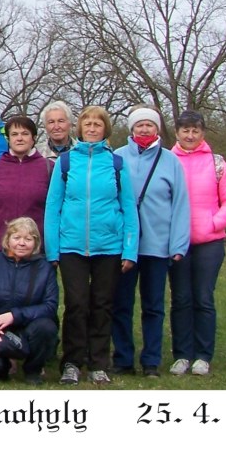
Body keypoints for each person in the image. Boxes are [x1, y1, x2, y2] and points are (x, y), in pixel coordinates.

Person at [44, 105, 138, 386]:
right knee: (76, 305)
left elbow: (129, 208)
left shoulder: (116, 164)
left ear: (105, 129)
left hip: (108, 247)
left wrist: (130, 249)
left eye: (98, 124)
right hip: (71, 247)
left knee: (102, 305)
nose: (93, 128)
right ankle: (72, 362)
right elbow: (53, 207)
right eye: (88, 124)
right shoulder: (66, 163)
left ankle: (99, 362)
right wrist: (52, 249)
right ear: (80, 129)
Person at [111, 106, 189, 377]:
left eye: (149, 125)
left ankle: (151, 361)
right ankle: (122, 358)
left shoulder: (170, 161)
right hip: (124, 247)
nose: (144, 130)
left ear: (157, 129)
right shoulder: (117, 158)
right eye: (139, 125)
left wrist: (178, 245)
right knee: (121, 304)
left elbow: (180, 205)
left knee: (153, 306)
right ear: (131, 129)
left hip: (158, 246)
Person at [167, 110, 226, 377]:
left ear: (202, 133)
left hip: (209, 243)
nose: (190, 135)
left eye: (195, 131)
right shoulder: (167, 160)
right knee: (181, 299)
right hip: (177, 243)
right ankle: (182, 355)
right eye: (185, 130)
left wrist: (214, 223)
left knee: (203, 298)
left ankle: (202, 355)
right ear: (177, 132)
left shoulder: (217, 162)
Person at [0, 217, 60, 384]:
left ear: (36, 242)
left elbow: (50, 306)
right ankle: (2, 368)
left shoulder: (44, 268)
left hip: (29, 326)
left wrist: (15, 315)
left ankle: (32, 370)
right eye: (17, 237)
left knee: (46, 328)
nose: (22, 243)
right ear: (7, 239)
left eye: (28, 239)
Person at [0, 114, 53, 260]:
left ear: (34, 138)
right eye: (14, 134)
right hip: (0, 249)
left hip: (36, 251)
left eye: (25, 134)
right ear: (8, 139)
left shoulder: (48, 168)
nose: (19, 138)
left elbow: (54, 212)